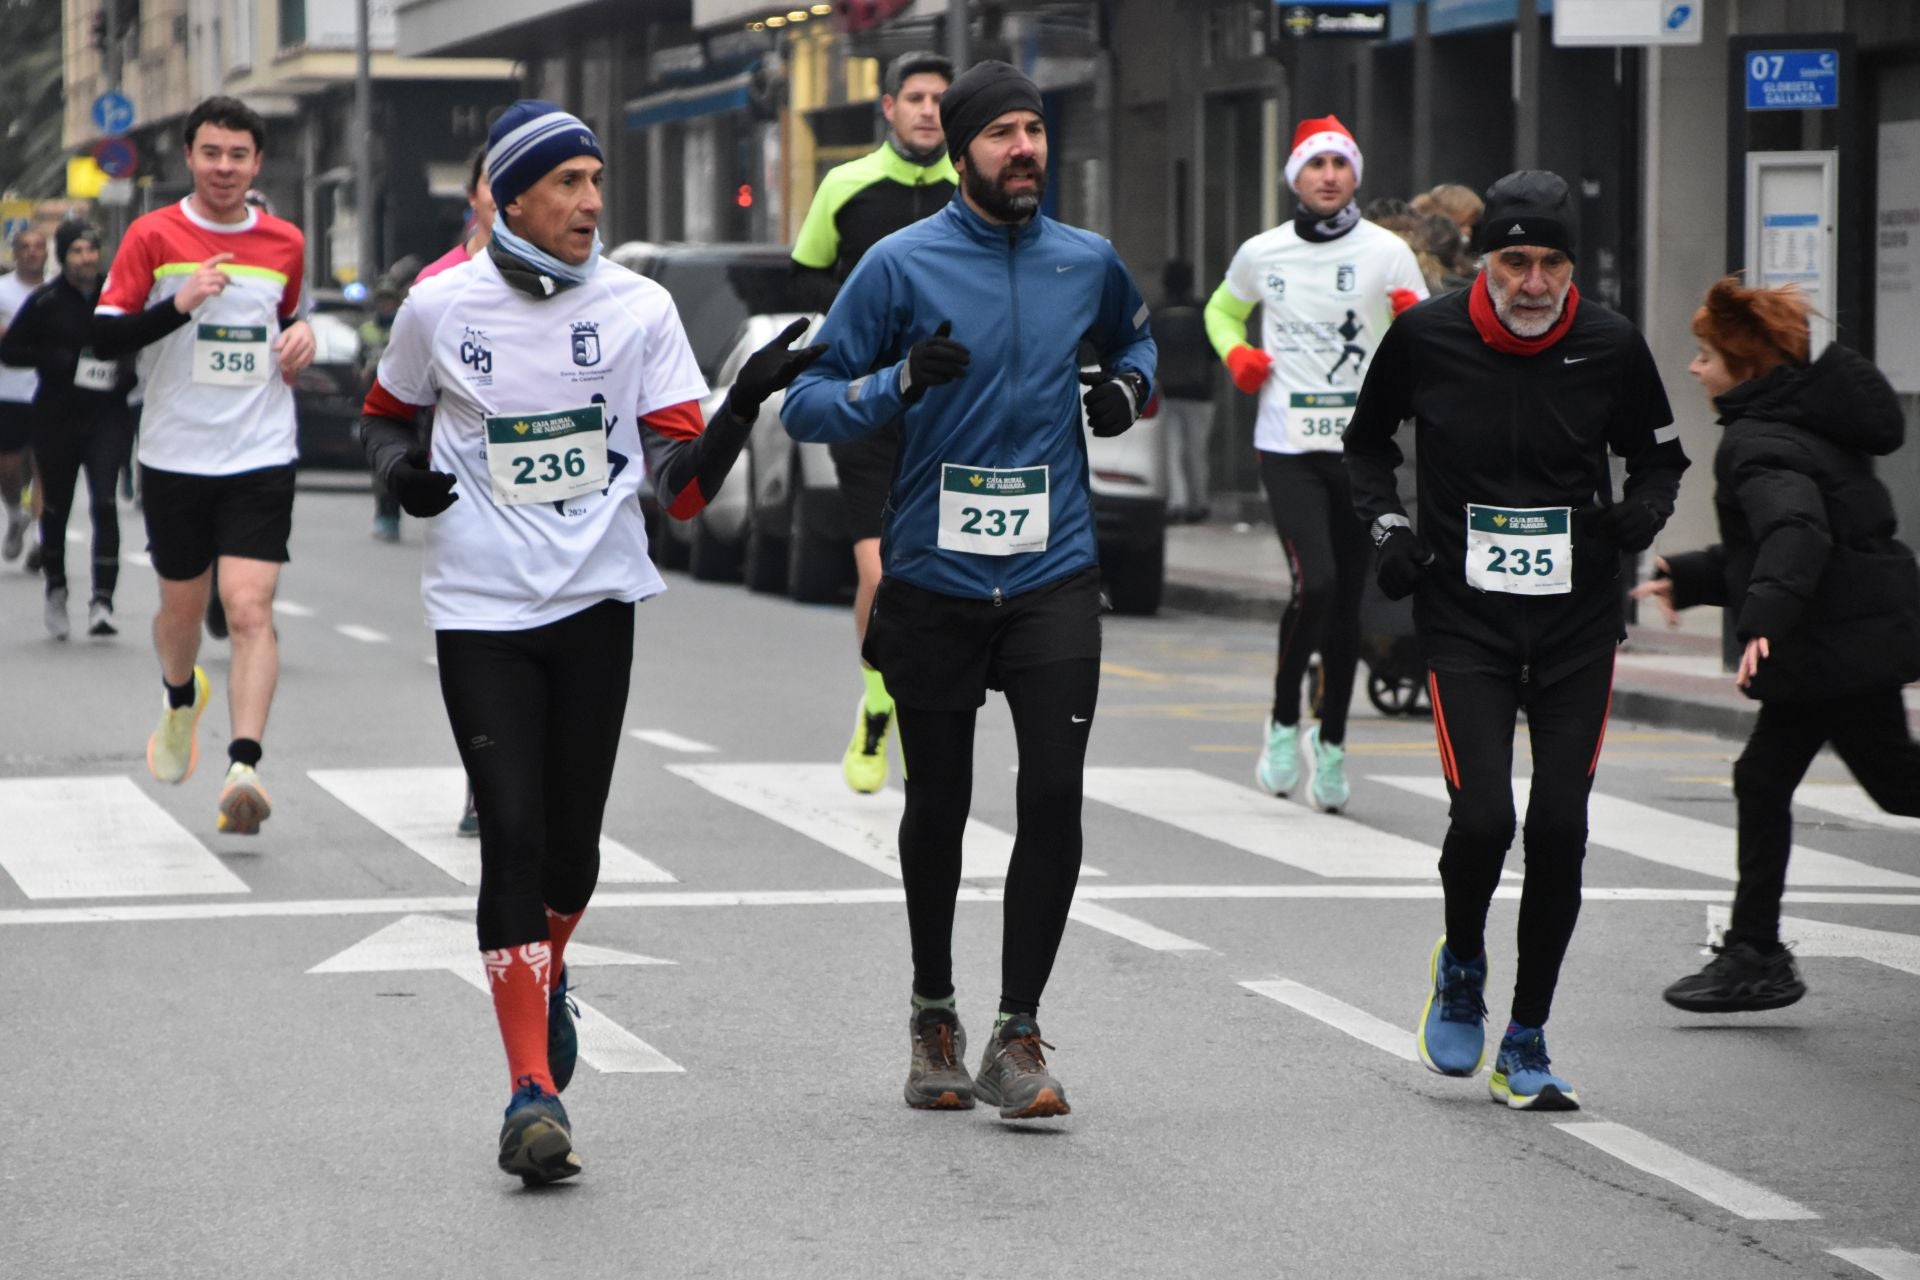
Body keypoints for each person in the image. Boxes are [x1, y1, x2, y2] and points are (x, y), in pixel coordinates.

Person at [358, 101, 824, 1184]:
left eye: (597, 180)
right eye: (568, 182)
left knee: (571, 854)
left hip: (595, 603)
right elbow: (382, 413)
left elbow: (683, 493)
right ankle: (531, 1092)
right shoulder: (439, 307)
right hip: (480, 609)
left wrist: (743, 405)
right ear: (511, 197)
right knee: (512, 834)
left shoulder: (639, 309)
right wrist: (395, 472)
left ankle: (547, 967)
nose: (590, 201)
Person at [783, 60, 1157, 1121]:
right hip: (935, 576)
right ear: (961, 153)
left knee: (1052, 792)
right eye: (1002, 134)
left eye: (1034, 129)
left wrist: (1127, 387)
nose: (1025, 148)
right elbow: (807, 401)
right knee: (939, 803)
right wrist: (897, 381)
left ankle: (1017, 1033)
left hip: (1052, 570)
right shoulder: (899, 265)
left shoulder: (1086, 260)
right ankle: (933, 1014)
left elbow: (1137, 338)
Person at [1344, 170, 1690, 1110]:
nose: (1533, 283)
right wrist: (1390, 531)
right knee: (1486, 821)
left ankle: (1526, 1037)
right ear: (1485, 261)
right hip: (1466, 619)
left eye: (1551, 264)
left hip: (1577, 622)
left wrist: (1644, 512)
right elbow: (1366, 446)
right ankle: (1462, 964)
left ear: (1571, 266)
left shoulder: (1611, 344)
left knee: (1561, 830)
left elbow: (1660, 458)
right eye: (1514, 262)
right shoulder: (1427, 337)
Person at [1636, 279, 1920, 1013]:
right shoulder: (1795, 424)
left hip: (1834, 645)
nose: (1695, 368)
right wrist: (1693, 577)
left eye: (1707, 356)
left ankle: (1755, 956)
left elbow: (1797, 532)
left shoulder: (1757, 441)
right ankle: (1754, 952)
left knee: (1887, 784)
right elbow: (1789, 538)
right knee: (1773, 780)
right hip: (1840, 634)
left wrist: (1762, 621)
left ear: (1746, 366)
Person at [90, 95, 316, 835]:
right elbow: (105, 338)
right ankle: (180, 695)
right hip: (175, 453)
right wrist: (180, 303)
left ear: (257, 163)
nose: (224, 167)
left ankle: (243, 767)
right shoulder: (152, 235)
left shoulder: (285, 241)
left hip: (260, 451)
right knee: (181, 614)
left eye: (238, 155)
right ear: (189, 156)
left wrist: (302, 338)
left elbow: (289, 318)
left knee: (249, 609)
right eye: (211, 153)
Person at [1205, 115, 1428, 813]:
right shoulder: (1262, 252)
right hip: (1288, 446)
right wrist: (1239, 356)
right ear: (1294, 178)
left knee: (1348, 600)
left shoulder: (1388, 252)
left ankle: (1329, 744)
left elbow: (1428, 338)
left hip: (1362, 452)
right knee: (1318, 582)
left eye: (1340, 163)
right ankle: (1281, 723)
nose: (1328, 175)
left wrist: (1410, 324)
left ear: (1355, 174)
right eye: (1315, 164)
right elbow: (1220, 311)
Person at [789, 49, 957, 795]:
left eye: (940, 99)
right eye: (914, 97)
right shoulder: (846, 184)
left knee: (935, 576)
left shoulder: (969, 190)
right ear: (888, 107)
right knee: (879, 573)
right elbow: (807, 275)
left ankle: (922, 704)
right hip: (864, 403)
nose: (928, 111)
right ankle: (880, 701)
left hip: (947, 409)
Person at [411, 141, 499, 839]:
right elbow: (397, 399)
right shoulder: (437, 289)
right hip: (469, 497)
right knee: (486, 642)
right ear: (473, 197)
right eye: (498, 182)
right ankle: (484, 777)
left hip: (557, 506)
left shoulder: (585, 286)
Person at [0, 222, 135, 639]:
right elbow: (10, 350)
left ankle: (102, 602)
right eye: (76, 251)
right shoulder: (46, 301)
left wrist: (126, 370)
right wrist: (49, 357)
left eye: (91, 250)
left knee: (105, 504)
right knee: (56, 507)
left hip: (107, 415)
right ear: (63, 256)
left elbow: (138, 335)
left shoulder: (118, 294)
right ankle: (56, 588)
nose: (86, 259)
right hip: (57, 417)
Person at [1154, 259, 1215, 523]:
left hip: (1166, 392)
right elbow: (1214, 351)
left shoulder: (1156, 313)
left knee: (1171, 449)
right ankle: (1198, 503)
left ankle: (1176, 502)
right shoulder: (1203, 312)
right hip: (1200, 393)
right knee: (1197, 451)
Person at [0, 227, 47, 566]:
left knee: (45, 465)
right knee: (8, 467)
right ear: (15, 253)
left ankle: (43, 540)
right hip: (8, 391)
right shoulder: (2, 291)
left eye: (38, 247)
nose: (32, 252)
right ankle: (16, 513)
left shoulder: (56, 291)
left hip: (49, 391)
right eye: (25, 247)